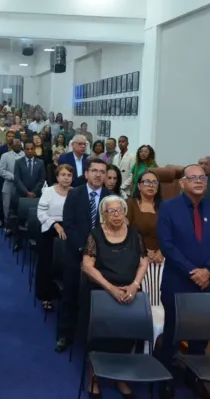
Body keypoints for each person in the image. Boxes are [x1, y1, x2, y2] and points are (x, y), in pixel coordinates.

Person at [157, 164, 210, 396]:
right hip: (178, 281)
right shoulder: (169, 207)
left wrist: (207, 270)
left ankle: (193, 377)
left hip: (209, 283)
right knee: (173, 333)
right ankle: (165, 378)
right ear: (182, 182)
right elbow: (167, 245)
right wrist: (193, 271)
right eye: (193, 177)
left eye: (203, 178)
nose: (199, 181)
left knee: (201, 335)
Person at [82, 195, 148, 398]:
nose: (116, 214)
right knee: (100, 338)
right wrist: (111, 289)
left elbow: (143, 261)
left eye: (120, 210)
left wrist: (135, 285)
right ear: (104, 214)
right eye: (111, 211)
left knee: (127, 336)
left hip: (130, 291)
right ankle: (94, 375)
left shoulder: (135, 234)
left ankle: (121, 376)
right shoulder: (95, 234)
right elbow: (87, 266)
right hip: (102, 292)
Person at [56, 158, 110, 352]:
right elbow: (68, 223)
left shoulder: (111, 197)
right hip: (75, 253)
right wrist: (84, 249)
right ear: (86, 174)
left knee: (97, 297)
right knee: (70, 295)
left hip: (103, 259)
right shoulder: (75, 194)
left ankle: (95, 336)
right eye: (94, 171)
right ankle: (65, 335)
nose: (98, 175)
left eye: (102, 172)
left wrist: (99, 253)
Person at [127, 170, 165, 331]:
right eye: (147, 182)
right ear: (139, 185)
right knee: (143, 301)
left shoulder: (164, 207)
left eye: (154, 182)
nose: (151, 185)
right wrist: (144, 251)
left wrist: (162, 251)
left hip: (161, 259)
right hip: (136, 258)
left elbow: (171, 233)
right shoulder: (130, 204)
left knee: (162, 300)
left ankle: (158, 334)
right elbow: (126, 233)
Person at [36, 164, 73, 311]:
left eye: (69, 175)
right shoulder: (48, 191)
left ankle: (65, 295)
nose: (66, 178)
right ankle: (46, 296)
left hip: (69, 230)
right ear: (57, 177)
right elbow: (41, 212)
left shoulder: (75, 192)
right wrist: (55, 225)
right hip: (49, 230)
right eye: (63, 175)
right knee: (48, 264)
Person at [0, 139, 25, 221]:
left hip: (23, 186)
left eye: (19, 143)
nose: (17, 145)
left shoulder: (25, 155)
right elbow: (1, 170)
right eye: (15, 144)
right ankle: (8, 225)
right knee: (7, 206)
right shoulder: (5, 156)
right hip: (9, 185)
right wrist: (14, 177)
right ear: (12, 145)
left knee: (21, 206)